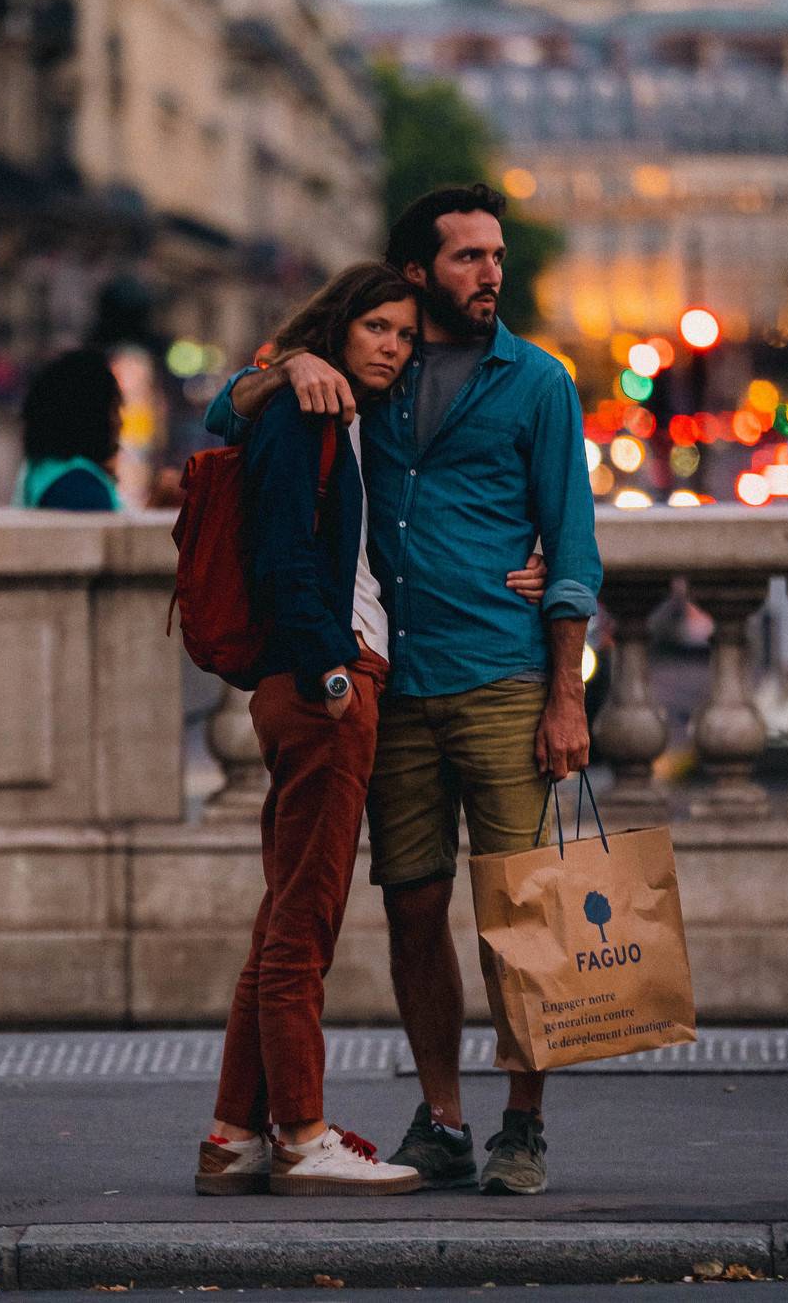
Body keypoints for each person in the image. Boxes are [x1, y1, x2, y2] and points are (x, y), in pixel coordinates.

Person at [207, 184, 602, 1198]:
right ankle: (444, 1119)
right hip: (394, 683)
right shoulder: (373, 366)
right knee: (413, 910)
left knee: (521, 915)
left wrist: (566, 696)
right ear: (418, 271)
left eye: (497, 255)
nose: (491, 273)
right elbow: (222, 414)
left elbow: (572, 547)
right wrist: (289, 364)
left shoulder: (537, 381)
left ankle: (523, 1125)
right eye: (469, 257)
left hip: (502, 675)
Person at [197, 264, 434, 1198]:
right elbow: (283, 552)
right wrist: (331, 670)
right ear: (337, 328)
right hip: (323, 685)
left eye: (404, 336)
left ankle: (232, 1137)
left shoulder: (333, 411)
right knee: (305, 926)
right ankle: (299, 1134)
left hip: (316, 681)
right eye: (377, 327)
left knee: (282, 919)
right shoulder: (306, 412)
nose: (392, 347)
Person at [13, 349, 123, 511]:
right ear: (91, 416)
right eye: (114, 409)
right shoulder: (78, 487)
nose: (119, 422)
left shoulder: (41, 470)